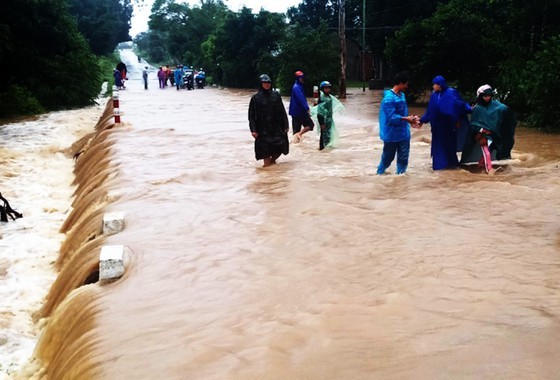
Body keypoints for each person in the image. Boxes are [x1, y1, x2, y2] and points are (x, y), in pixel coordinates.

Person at [418, 75, 472, 170]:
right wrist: (422, 120)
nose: (433, 86)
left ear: (440, 85)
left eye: (435, 84)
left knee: (450, 147)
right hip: (437, 128)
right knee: (438, 148)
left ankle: (452, 166)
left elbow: (460, 104)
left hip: (449, 126)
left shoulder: (451, 93)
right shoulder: (434, 95)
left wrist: (469, 109)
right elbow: (430, 110)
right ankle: (440, 168)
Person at [460, 85, 517, 174]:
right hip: (483, 134)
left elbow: (503, 112)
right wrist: (482, 130)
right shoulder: (478, 109)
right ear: (480, 96)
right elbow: (474, 124)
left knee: (489, 151)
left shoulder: (496, 105)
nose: (487, 98)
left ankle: (480, 165)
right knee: (486, 152)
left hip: (494, 133)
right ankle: (489, 170)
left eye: (489, 96)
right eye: (485, 96)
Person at [376, 72, 420, 175]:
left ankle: (401, 177)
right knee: (388, 157)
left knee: (404, 157)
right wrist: (407, 119)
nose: (407, 86)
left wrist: (412, 119)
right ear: (400, 83)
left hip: (404, 133)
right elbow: (392, 117)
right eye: (406, 84)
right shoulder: (388, 99)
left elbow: (403, 113)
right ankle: (379, 173)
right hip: (392, 134)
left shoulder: (402, 96)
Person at [248, 74, 289, 167]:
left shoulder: (276, 95)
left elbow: (282, 111)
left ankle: (272, 162)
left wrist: (286, 124)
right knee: (265, 152)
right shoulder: (255, 98)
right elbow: (251, 116)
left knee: (282, 147)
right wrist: (253, 130)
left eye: (268, 83)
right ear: (261, 84)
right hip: (262, 130)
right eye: (265, 83)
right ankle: (267, 174)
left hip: (276, 128)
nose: (267, 85)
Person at [312, 81, 344, 150]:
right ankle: (322, 150)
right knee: (323, 137)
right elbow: (320, 112)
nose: (327, 89)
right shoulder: (322, 98)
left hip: (329, 120)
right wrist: (322, 123)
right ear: (323, 89)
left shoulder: (329, 97)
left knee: (328, 136)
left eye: (328, 88)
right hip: (323, 120)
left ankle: (326, 151)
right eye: (325, 88)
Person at [289, 71, 315, 142]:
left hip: (295, 112)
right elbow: (301, 99)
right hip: (300, 112)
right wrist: (307, 108)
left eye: (302, 77)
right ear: (297, 78)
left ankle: (296, 144)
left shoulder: (298, 86)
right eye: (300, 78)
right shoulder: (297, 87)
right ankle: (299, 135)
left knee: (296, 131)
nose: (302, 79)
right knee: (310, 125)